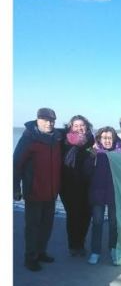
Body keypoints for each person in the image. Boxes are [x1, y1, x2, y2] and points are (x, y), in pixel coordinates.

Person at [13, 108, 63, 271]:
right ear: (38, 120)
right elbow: (16, 165)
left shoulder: (56, 138)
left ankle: (41, 252)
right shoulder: (29, 138)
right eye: (45, 120)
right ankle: (30, 257)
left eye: (52, 120)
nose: (49, 123)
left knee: (47, 225)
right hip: (33, 191)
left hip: (51, 192)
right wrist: (15, 188)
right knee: (33, 226)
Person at [84, 126, 121, 265]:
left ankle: (113, 249)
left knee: (114, 223)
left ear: (114, 138)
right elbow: (86, 172)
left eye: (110, 138)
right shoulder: (92, 150)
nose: (107, 140)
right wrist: (91, 158)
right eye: (104, 138)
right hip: (97, 193)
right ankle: (95, 251)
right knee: (97, 222)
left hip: (114, 193)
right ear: (99, 138)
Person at [60, 115, 95, 256]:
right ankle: (73, 246)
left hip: (87, 184)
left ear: (87, 127)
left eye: (82, 125)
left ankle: (81, 243)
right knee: (73, 215)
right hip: (68, 184)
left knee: (86, 215)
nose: (79, 128)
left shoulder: (92, 141)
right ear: (70, 127)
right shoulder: (63, 140)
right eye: (76, 125)